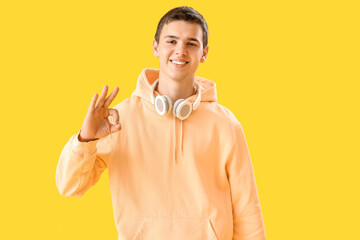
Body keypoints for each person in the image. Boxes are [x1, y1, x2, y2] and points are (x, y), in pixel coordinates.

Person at [56, 6, 266, 240]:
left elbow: (247, 209)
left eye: (191, 44)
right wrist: (87, 139)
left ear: (204, 53)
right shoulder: (119, 119)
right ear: (156, 47)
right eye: (171, 41)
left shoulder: (226, 124)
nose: (180, 51)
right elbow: (69, 186)